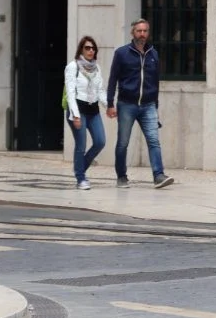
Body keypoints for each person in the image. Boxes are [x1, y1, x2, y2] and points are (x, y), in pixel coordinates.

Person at [106, 19, 173, 189]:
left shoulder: (153, 54)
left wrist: (156, 106)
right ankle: (121, 177)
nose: (142, 34)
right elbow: (113, 79)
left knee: (154, 141)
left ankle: (158, 175)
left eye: (145, 31)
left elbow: (155, 82)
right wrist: (110, 103)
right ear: (132, 33)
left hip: (148, 105)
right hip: (126, 104)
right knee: (123, 143)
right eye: (139, 31)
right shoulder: (122, 53)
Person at [65, 36, 108, 190]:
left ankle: (79, 168)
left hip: (93, 110)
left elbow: (100, 90)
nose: (90, 51)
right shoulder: (73, 67)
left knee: (100, 141)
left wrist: (108, 105)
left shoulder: (96, 68)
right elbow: (70, 93)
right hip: (78, 110)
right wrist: (75, 115)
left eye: (93, 48)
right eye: (87, 48)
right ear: (81, 50)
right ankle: (81, 178)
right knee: (81, 145)